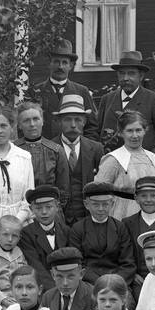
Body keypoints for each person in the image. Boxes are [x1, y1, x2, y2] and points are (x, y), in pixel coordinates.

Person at [96, 51, 155, 151]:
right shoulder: (107, 99)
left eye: (131, 74)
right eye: (122, 73)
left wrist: (152, 156)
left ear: (141, 76)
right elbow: (96, 131)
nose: (125, 78)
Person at [68, 182, 136, 288]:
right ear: (86, 204)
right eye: (95, 204)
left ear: (112, 204)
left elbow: (128, 262)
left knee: (126, 299)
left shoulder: (120, 227)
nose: (100, 209)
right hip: (88, 284)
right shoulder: (78, 229)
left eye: (105, 204)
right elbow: (78, 263)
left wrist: (114, 283)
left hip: (117, 283)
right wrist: (100, 283)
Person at [95, 111, 155, 220]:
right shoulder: (113, 159)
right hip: (120, 215)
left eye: (138, 130)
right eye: (129, 131)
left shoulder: (152, 157)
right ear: (121, 133)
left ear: (145, 130)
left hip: (148, 216)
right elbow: (99, 191)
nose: (135, 136)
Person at [32, 39, 100, 141]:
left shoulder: (81, 91)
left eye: (64, 62)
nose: (60, 67)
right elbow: (26, 126)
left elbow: (92, 128)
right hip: (44, 148)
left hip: (72, 148)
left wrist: (83, 148)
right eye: (56, 62)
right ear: (48, 63)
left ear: (71, 66)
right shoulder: (35, 91)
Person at [53, 95, 105, 225]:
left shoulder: (96, 148)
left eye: (77, 120)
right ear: (59, 122)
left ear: (84, 122)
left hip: (88, 217)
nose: (73, 125)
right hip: (59, 218)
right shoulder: (50, 149)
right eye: (67, 120)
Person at [19, 185, 75, 291]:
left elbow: (71, 262)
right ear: (31, 209)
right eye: (38, 208)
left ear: (57, 206)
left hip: (66, 285)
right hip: (42, 288)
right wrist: (55, 290)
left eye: (49, 207)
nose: (44, 212)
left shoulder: (66, 231)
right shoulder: (26, 234)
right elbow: (35, 265)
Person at [15, 101, 70, 202]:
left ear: (42, 121)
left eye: (36, 119)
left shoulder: (56, 150)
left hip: (48, 206)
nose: (32, 124)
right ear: (19, 125)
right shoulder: (13, 150)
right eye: (26, 121)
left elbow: (63, 188)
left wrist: (57, 207)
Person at [0, 216, 27, 309]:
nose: (10, 239)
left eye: (14, 236)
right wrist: (5, 301)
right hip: (3, 298)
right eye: (5, 235)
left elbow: (27, 275)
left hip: (22, 295)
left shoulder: (19, 253)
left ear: (19, 238)